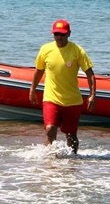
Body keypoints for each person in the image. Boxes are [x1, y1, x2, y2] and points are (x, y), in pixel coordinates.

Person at [29, 19, 96, 154]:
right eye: (56, 34)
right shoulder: (45, 49)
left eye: (63, 34)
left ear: (69, 34)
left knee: (71, 135)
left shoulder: (77, 50)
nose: (59, 37)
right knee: (50, 129)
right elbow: (39, 71)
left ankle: (73, 162)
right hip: (51, 98)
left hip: (72, 100)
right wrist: (32, 90)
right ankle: (49, 161)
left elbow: (90, 73)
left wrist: (92, 95)